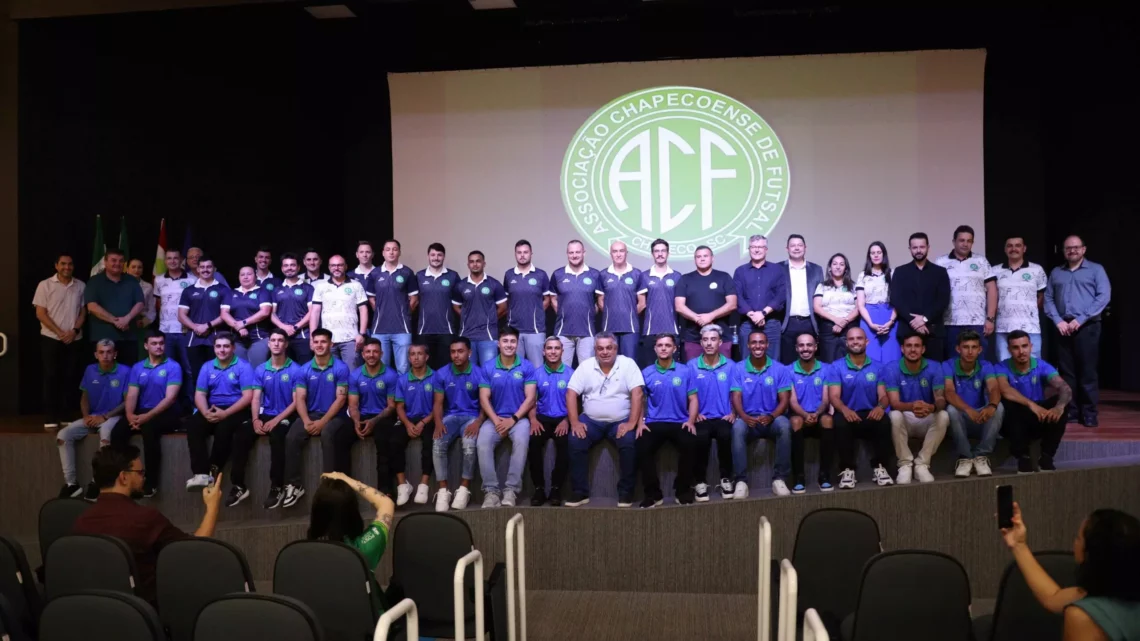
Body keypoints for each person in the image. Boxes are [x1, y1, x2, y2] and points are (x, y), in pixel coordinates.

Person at [72, 446, 223, 605]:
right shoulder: (145, 519)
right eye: (140, 473)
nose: (144, 478)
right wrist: (212, 507)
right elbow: (196, 549)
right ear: (123, 477)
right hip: (145, 615)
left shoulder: (81, 522)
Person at [1000, 503, 1140, 641]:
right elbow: (1053, 597)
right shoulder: (1113, 592)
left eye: (1078, 538)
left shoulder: (1082, 617)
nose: (1075, 542)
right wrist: (1019, 545)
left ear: (1090, 555)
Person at [565, 332, 645, 507]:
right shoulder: (586, 366)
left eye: (609, 348)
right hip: (591, 420)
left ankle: (626, 493)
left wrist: (631, 422)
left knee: (630, 442)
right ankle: (580, 492)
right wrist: (575, 422)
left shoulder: (628, 364)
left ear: (616, 349)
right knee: (574, 440)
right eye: (600, 348)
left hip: (620, 420)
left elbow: (637, 393)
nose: (605, 352)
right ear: (595, 350)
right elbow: (571, 394)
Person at [230, 328, 301, 509]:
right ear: (268, 344)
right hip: (266, 413)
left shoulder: (296, 370)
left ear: (285, 344)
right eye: (273, 340)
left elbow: (296, 402)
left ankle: (276, 487)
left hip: (287, 415)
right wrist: (255, 419)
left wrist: (276, 420)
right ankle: (238, 485)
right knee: (240, 434)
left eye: (280, 340)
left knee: (277, 437)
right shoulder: (261, 369)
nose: (276, 343)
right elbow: (255, 398)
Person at [1045, 235, 1111, 427]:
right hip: (1062, 328)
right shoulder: (1057, 272)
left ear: (1083, 249)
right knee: (1067, 373)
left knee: (1087, 372)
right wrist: (1058, 321)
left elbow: (1103, 297)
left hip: (1087, 327)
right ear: (1064, 251)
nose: (1072, 250)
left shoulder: (1096, 270)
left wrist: (1080, 320)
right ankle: (1071, 411)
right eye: (1068, 248)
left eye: (1076, 247)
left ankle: (1089, 413)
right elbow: (1048, 298)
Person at [309, 472, 395, 614]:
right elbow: (386, 503)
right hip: (372, 632)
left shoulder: (301, 553)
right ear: (352, 512)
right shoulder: (362, 549)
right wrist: (347, 480)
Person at [284, 328, 351, 507]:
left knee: (328, 434)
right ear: (311, 344)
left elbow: (341, 398)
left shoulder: (341, 368)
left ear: (331, 344)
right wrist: (306, 421)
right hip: (311, 413)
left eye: (324, 342)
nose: (320, 345)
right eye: (317, 342)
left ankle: (329, 485)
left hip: (336, 415)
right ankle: (294, 485)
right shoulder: (303, 370)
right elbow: (300, 398)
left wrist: (322, 422)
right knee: (291, 436)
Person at [54, 339, 129, 500]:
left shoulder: (125, 371)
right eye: (101, 352)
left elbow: (127, 402)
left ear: (115, 354)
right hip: (93, 416)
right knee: (62, 435)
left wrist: (105, 417)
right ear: (96, 354)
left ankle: (97, 482)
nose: (105, 355)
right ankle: (71, 484)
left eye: (109, 352)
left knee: (106, 434)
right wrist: (86, 415)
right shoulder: (90, 370)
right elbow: (84, 397)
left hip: (113, 416)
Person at [114, 330, 183, 499]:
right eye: (154, 343)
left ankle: (151, 483)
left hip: (167, 412)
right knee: (117, 432)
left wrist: (147, 417)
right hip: (142, 412)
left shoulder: (173, 366)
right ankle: (121, 476)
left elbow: (170, 398)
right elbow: (131, 395)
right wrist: (130, 415)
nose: (159, 346)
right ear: (146, 346)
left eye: (161, 343)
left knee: (149, 430)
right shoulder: (138, 367)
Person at [184, 332, 255, 492]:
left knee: (225, 427)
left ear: (233, 348)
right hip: (212, 407)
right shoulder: (207, 366)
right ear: (214, 348)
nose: (222, 350)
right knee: (193, 424)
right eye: (218, 346)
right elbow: (200, 394)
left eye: (226, 346)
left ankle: (213, 469)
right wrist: (205, 412)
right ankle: (200, 473)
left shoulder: (243, 367)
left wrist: (226, 413)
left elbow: (248, 397)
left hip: (237, 408)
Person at [826, 326, 895, 489]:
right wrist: (845, 410)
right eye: (851, 339)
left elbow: (884, 396)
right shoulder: (836, 367)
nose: (855, 341)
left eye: (859, 338)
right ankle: (848, 470)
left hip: (870, 414)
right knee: (840, 422)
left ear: (866, 341)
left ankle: (881, 468)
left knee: (884, 421)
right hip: (847, 412)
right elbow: (834, 396)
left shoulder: (878, 367)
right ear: (847, 343)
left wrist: (880, 407)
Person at [476, 327, 537, 508]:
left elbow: (530, 398)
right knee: (482, 443)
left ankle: (511, 490)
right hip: (494, 418)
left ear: (517, 344)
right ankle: (491, 492)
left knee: (521, 441)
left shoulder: (526, 366)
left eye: (512, 341)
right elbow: (483, 398)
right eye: (505, 341)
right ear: (498, 344)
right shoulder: (488, 367)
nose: (509, 345)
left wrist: (514, 419)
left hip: (518, 419)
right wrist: (496, 421)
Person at [637, 334, 700, 507]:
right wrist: (641, 422)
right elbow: (640, 399)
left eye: (667, 345)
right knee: (641, 446)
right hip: (653, 422)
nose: (663, 348)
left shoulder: (685, 371)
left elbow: (693, 399)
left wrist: (691, 421)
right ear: (655, 349)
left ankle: (682, 490)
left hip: (680, 421)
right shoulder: (647, 372)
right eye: (660, 345)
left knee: (691, 443)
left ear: (674, 349)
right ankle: (653, 494)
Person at [996, 331, 1071, 473]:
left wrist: (1059, 407)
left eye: (1024, 346)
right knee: (1008, 404)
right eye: (1016, 348)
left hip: (1038, 417)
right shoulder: (1001, 367)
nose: (1021, 351)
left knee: (1062, 402)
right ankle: (1023, 457)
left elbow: (1064, 387)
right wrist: (1031, 405)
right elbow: (1005, 389)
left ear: (1031, 346)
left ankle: (1047, 457)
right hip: (1015, 423)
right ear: (1009, 350)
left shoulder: (1041, 366)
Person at [730, 330, 793, 498]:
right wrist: (743, 416)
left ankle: (780, 478)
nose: (758, 346)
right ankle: (741, 481)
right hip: (748, 419)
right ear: (748, 345)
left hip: (772, 419)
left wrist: (772, 416)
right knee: (737, 428)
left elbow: (784, 400)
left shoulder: (779, 369)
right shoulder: (738, 368)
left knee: (785, 425)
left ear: (767, 345)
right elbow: (735, 396)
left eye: (761, 342)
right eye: (754, 342)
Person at [883, 335, 949, 484]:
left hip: (927, 415)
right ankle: (905, 464)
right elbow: (894, 402)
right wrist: (913, 406)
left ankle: (922, 464)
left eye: (917, 346)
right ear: (902, 348)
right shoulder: (892, 368)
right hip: (905, 417)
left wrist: (931, 407)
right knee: (894, 415)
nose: (913, 349)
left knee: (943, 415)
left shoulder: (934, 366)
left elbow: (940, 399)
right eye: (909, 345)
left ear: (923, 349)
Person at [430, 336, 484, 512]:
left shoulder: (479, 373)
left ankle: (464, 488)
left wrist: (478, 422)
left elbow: (486, 402)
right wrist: (438, 422)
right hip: (451, 416)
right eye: (453, 352)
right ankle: (443, 490)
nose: (456, 355)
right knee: (438, 443)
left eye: (460, 351)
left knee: (469, 445)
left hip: (472, 417)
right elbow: (438, 403)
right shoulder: (442, 373)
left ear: (469, 352)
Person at [34, 253, 86, 428]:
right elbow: (40, 313)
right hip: (51, 338)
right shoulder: (45, 285)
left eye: (70, 264)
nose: (67, 267)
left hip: (74, 339)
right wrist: (60, 332)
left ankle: (66, 414)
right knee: (51, 376)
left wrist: (74, 331)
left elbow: (83, 312)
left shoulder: (80, 285)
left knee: (70, 377)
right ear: (56, 265)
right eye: (63, 264)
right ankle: (50, 416)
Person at [687, 325, 737, 502]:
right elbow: (686, 394)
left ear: (720, 342)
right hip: (702, 417)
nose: (709, 343)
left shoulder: (731, 366)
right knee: (700, 437)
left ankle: (726, 479)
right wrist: (693, 414)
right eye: (705, 340)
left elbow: (736, 393)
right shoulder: (691, 366)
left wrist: (734, 413)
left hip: (724, 416)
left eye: (713, 339)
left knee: (725, 435)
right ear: (701, 342)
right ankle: (700, 482)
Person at [347, 338, 402, 500]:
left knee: (383, 439)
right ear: (363, 354)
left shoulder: (391, 375)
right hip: (362, 416)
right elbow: (353, 406)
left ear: (381, 353)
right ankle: (342, 488)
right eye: (368, 352)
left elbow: (391, 406)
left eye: (375, 352)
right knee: (339, 435)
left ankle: (385, 491)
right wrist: (356, 422)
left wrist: (374, 421)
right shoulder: (355, 375)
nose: (371, 355)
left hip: (383, 417)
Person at [944, 329, 1003, 478]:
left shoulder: (986, 365)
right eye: (966, 347)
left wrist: (992, 406)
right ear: (958, 349)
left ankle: (981, 456)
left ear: (979, 350)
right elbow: (949, 392)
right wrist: (967, 409)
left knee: (999, 407)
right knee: (951, 409)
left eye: (974, 347)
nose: (970, 352)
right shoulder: (948, 365)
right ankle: (965, 457)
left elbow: (994, 388)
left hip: (981, 418)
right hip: (961, 418)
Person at [934, 225, 997, 360]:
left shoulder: (981, 261)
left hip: (977, 323)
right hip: (949, 323)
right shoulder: (941, 262)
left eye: (969, 241)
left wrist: (990, 318)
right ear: (954, 241)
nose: (965, 244)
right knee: (952, 363)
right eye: (962, 240)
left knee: (978, 363)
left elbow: (992, 289)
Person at [527, 336, 573, 506]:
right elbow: (531, 400)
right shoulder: (536, 373)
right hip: (542, 418)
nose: (553, 352)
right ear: (543, 351)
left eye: (556, 348)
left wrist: (567, 420)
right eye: (549, 348)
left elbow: (576, 403)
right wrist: (532, 420)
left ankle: (556, 488)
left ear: (562, 351)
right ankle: (538, 488)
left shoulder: (571, 373)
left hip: (563, 418)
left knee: (566, 446)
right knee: (533, 444)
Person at [891, 232, 951, 360]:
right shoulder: (900, 271)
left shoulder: (940, 272)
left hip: (933, 330)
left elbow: (943, 300)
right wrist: (914, 322)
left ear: (928, 247)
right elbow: (896, 299)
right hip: (907, 329)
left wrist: (924, 319)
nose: (918, 250)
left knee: (934, 372)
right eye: (915, 247)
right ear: (910, 249)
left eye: (922, 247)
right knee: (907, 375)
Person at [788, 333, 834, 493]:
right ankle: (799, 477)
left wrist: (816, 413)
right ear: (796, 348)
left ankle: (824, 476)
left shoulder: (827, 369)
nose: (805, 349)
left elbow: (826, 400)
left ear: (815, 347)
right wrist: (805, 415)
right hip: (799, 415)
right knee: (795, 421)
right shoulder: (788, 371)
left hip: (819, 414)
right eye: (801, 345)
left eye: (809, 345)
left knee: (828, 420)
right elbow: (792, 401)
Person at [178, 255, 231, 389]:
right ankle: (198, 406)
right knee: (197, 374)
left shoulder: (223, 290)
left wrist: (207, 326)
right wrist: (196, 328)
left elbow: (225, 315)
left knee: (218, 373)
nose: (205, 270)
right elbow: (181, 315)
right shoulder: (189, 290)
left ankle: (217, 404)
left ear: (214, 269)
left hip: (216, 339)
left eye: (208, 267)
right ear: (197, 269)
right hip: (193, 339)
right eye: (202, 267)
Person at [392, 342, 435, 506]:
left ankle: (423, 484)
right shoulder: (402, 380)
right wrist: (408, 424)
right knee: (394, 441)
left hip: (428, 418)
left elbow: (439, 406)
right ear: (409, 358)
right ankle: (403, 485)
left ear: (427, 357)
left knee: (430, 441)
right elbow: (399, 407)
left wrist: (424, 422)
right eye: (412, 354)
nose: (416, 357)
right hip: (408, 419)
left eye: (419, 353)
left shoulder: (436, 377)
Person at [733, 235, 787, 364]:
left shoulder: (777, 270)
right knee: (746, 363)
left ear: (766, 249)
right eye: (753, 247)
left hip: (771, 323)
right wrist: (753, 315)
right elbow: (737, 296)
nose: (757, 250)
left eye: (760, 247)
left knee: (773, 363)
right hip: (747, 323)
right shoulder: (740, 271)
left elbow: (781, 295)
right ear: (749, 249)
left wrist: (763, 313)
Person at [84, 248, 145, 365]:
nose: (117, 264)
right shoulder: (94, 281)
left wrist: (127, 319)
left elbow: (140, 303)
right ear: (105, 262)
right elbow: (92, 306)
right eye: (113, 260)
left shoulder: (132, 281)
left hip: (128, 336)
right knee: (103, 374)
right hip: (102, 336)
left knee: (128, 371)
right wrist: (115, 321)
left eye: (121, 261)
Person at [366, 240, 418, 374]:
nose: (391, 252)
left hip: (402, 329)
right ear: (383, 253)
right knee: (381, 369)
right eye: (388, 249)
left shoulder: (407, 272)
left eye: (395, 249)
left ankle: (401, 395)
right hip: (379, 329)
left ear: (399, 252)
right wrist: (380, 311)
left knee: (403, 369)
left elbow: (414, 299)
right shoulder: (375, 273)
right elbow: (371, 297)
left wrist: (404, 314)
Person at [678, 245, 738, 361]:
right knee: (695, 374)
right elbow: (679, 306)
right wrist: (698, 318)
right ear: (694, 259)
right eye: (698, 256)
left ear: (712, 258)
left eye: (705, 256)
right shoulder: (685, 279)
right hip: (694, 338)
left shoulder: (724, 277)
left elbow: (732, 304)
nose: (702, 259)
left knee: (723, 374)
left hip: (722, 337)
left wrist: (710, 316)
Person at [994, 236, 1048, 361]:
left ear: (1024, 248)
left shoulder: (1036, 270)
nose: (1014, 249)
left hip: (1030, 328)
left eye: (1018, 245)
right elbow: (991, 297)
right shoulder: (995, 271)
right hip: (1003, 328)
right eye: (1010, 246)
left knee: (1033, 366)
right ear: (1005, 249)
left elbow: (1042, 296)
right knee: (1004, 367)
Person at [153, 249, 194, 409]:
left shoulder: (191, 280)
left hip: (185, 332)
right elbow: (157, 305)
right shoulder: (158, 280)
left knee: (188, 370)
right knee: (168, 370)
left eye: (175, 258)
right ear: (165, 261)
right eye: (169, 258)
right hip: (165, 332)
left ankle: (190, 405)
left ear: (181, 260)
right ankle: (169, 407)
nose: (172, 261)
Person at [550, 240, 602, 367]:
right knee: (562, 371)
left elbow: (599, 300)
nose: (574, 255)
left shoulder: (595, 274)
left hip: (587, 332)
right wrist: (565, 313)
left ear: (584, 253)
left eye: (578, 252)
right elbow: (553, 299)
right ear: (567, 254)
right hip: (563, 332)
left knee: (587, 372)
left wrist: (588, 314)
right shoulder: (558, 274)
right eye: (571, 252)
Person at [451, 250, 507, 366]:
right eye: (471, 262)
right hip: (466, 336)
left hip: (488, 337)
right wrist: (467, 317)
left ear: (484, 264)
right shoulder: (460, 285)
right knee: (468, 373)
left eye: (478, 261)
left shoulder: (494, 284)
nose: (475, 264)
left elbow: (503, 307)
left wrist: (489, 318)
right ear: (468, 265)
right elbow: (456, 306)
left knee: (487, 372)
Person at [313, 254, 369, 368]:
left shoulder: (356, 285)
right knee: (330, 375)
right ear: (329, 267)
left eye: (340, 265)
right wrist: (313, 337)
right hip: (327, 340)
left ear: (346, 266)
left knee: (352, 374)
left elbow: (363, 310)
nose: (336, 268)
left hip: (351, 339)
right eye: (333, 265)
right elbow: (315, 312)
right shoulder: (321, 286)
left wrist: (362, 334)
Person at [503, 239, 551, 366]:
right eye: (519, 252)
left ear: (531, 254)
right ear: (515, 254)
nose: (522, 255)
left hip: (535, 330)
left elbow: (547, 299)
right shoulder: (509, 275)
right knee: (514, 369)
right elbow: (507, 300)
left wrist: (536, 312)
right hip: (513, 331)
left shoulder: (541, 275)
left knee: (537, 368)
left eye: (525, 252)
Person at [779, 234, 824, 365]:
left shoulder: (816, 269)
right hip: (787, 323)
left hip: (809, 322)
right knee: (787, 362)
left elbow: (821, 297)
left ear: (805, 247)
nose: (796, 248)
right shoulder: (778, 268)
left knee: (810, 364)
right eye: (793, 245)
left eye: (800, 245)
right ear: (787, 248)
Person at [416, 242, 461, 370]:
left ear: (444, 257)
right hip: (424, 330)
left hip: (446, 330)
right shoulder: (419, 276)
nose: (436, 258)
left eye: (439, 255)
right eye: (433, 255)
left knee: (445, 368)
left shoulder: (453, 276)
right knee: (424, 368)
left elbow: (459, 302)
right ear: (428, 256)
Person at [599, 241, 647, 360]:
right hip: (609, 328)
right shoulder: (603, 274)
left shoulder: (637, 274)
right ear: (611, 254)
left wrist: (629, 316)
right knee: (608, 362)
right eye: (615, 251)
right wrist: (612, 315)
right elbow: (600, 301)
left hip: (630, 328)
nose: (618, 254)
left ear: (626, 253)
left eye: (621, 251)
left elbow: (642, 303)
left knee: (629, 364)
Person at [855, 241, 900, 364]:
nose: (876, 255)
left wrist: (890, 322)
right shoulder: (862, 276)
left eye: (879, 252)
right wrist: (871, 323)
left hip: (890, 316)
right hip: (869, 317)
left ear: (883, 254)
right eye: (872, 253)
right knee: (870, 356)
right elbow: (860, 304)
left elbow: (898, 301)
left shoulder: (893, 273)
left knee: (892, 356)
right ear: (869, 256)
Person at [220, 266, 273, 368]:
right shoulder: (231, 293)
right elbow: (224, 314)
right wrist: (239, 327)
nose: (245, 277)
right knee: (239, 370)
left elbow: (265, 312)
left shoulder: (262, 292)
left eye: (249, 274)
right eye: (242, 274)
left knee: (257, 369)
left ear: (255, 276)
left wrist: (243, 323)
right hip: (236, 339)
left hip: (259, 338)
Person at [640, 238, 680, 367]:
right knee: (651, 368)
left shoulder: (677, 276)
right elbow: (641, 304)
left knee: (672, 369)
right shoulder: (644, 276)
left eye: (663, 251)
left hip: (672, 329)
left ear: (668, 253)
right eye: (656, 251)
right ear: (652, 254)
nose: (660, 254)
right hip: (650, 330)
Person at [269, 252, 315, 364]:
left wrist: (295, 327)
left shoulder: (308, 288)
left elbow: (312, 312)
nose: (289, 268)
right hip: (282, 338)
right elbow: (272, 314)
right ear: (282, 268)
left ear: (299, 267)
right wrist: (283, 327)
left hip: (303, 336)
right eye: (286, 265)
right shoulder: (276, 289)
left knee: (304, 371)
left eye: (292, 265)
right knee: (284, 371)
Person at [813, 253, 859, 363]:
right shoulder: (822, 286)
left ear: (846, 268)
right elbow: (817, 307)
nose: (838, 267)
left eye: (841, 264)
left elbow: (858, 307)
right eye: (835, 264)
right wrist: (836, 320)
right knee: (828, 363)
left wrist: (844, 321)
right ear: (830, 267)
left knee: (848, 363)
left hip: (849, 328)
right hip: (828, 329)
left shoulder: (853, 286)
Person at [126, 258, 156, 330]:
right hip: (123, 323)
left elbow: (152, 310)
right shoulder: (119, 285)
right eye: (133, 267)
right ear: (127, 269)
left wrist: (144, 322)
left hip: (141, 323)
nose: (136, 270)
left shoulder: (148, 286)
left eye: (139, 267)